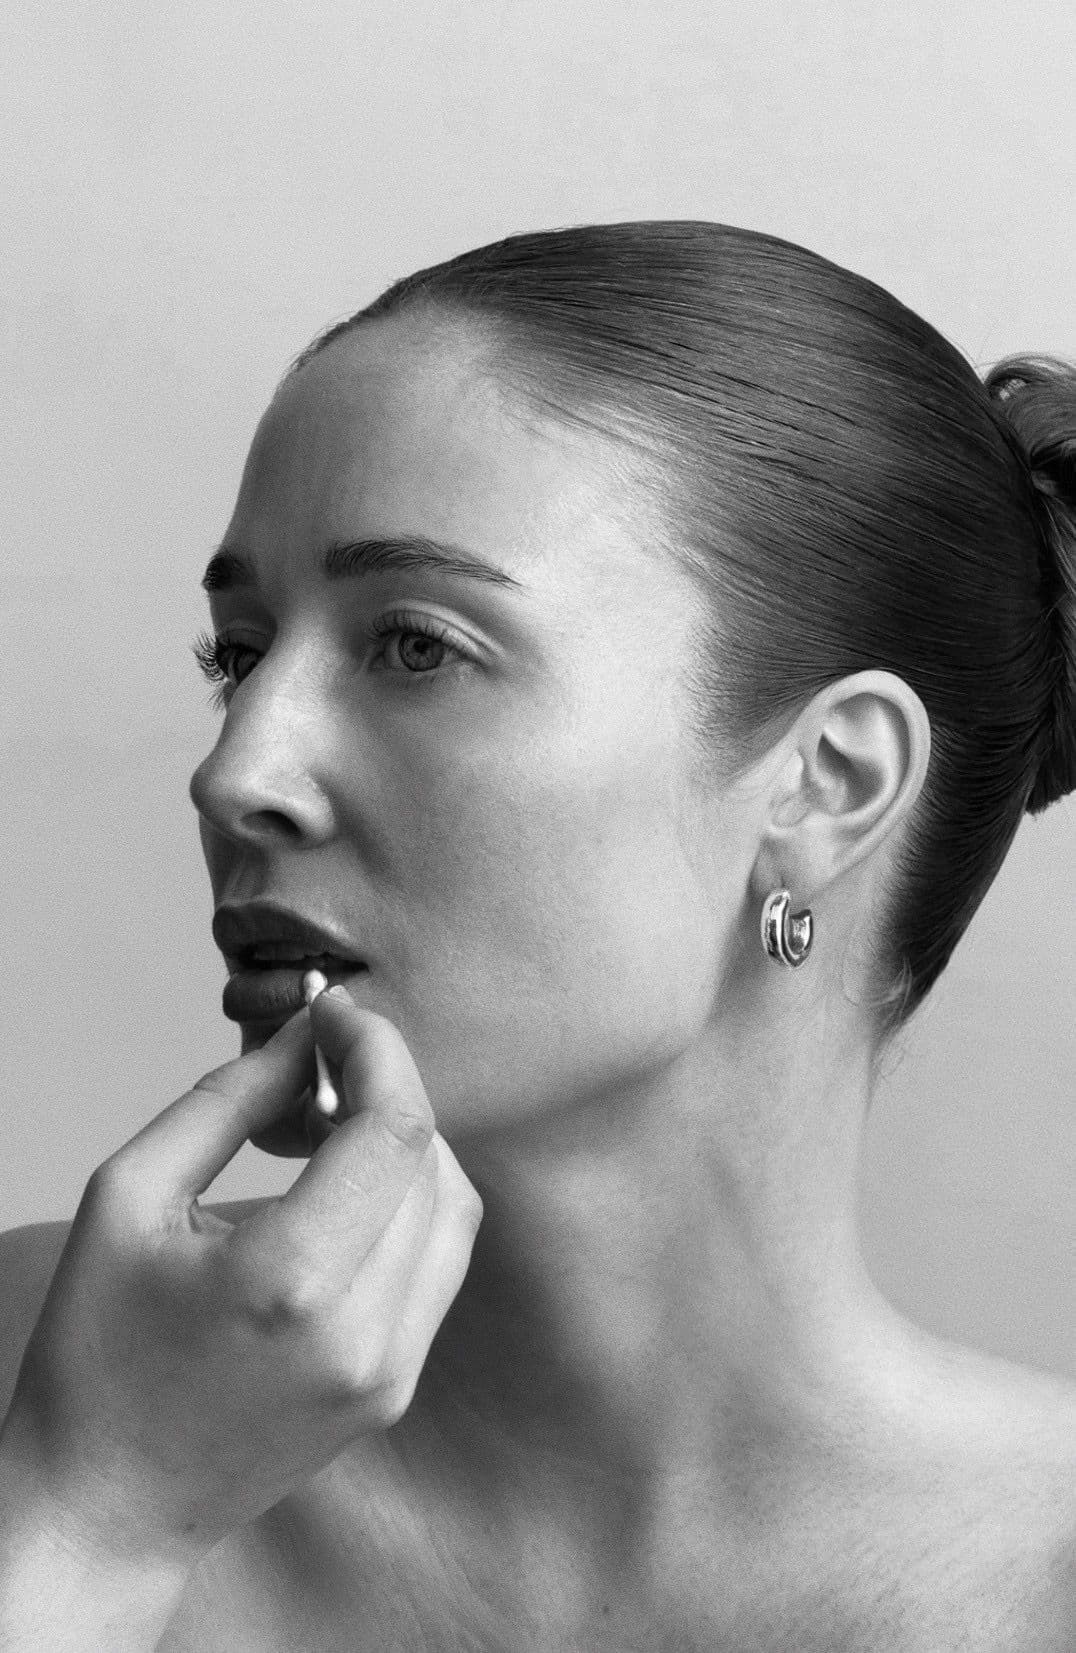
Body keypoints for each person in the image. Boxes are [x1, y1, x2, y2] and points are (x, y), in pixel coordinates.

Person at [1, 220, 1074, 1652]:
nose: (235, 771)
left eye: (417, 647)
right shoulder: (37, 1379)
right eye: (240, 655)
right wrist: (92, 1518)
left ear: (827, 783)